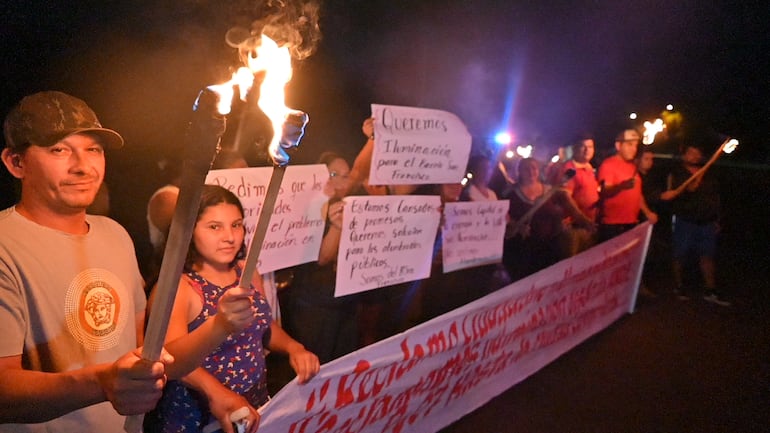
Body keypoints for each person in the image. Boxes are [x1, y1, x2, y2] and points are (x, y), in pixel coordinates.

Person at [0, 91, 171, 431]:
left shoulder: (115, 234)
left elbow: (138, 347)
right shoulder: (6, 246)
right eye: (59, 149)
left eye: (93, 149)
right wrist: (102, 383)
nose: (82, 166)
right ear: (16, 163)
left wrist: (221, 324)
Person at [144, 184, 320, 433]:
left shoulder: (246, 271)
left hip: (252, 408)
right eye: (214, 227)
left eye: (236, 225)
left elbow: (262, 326)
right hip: (196, 419)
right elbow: (168, 360)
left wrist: (294, 348)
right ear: (189, 230)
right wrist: (217, 393)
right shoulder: (178, 287)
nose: (229, 236)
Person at [280, 152, 360, 364]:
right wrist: (336, 226)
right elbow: (323, 258)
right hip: (314, 305)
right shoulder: (309, 208)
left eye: (347, 175)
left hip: (342, 304)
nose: (342, 180)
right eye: (335, 174)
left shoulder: (353, 207)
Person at [502, 158, 593, 281]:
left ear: (538, 170)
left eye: (533, 168)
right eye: (526, 168)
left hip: (549, 248)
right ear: (519, 171)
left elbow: (574, 211)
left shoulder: (552, 192)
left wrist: (586, 222)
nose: (530, 172)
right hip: (523, 251)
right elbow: (503, 219)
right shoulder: (510, 195)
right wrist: (516, 226)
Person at [660, 144, 728, 306]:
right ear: (684, 155)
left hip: (707, 222)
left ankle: (710, 289)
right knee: (680, 254)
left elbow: (715, 197)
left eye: (698, 153)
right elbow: (683, 191)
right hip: (685, 221)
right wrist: (694, 181)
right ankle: (679, 285)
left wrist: (717, 219)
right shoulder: (676, 173)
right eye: (691, 153)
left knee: (708, 255)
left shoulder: (710, 173)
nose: (695, 156)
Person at [596, 129, 658, 242]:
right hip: (613, 226)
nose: (633, 149)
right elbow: (605, 191)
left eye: (635, 145)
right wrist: (621, 186)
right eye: (629, 145)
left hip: (631, 223)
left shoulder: (632, 167)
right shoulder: (608, 165)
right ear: (618, 145)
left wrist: (647, 212)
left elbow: (637, 195)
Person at [558, 134, 600, 255]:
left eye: (590, 146)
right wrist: (582, 219)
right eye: (583, 146)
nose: (587, 150)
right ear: (575, 149)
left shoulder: (589, 168)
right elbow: (565, 198)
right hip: (574, 228)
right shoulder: (569, 168)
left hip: (587, 226)